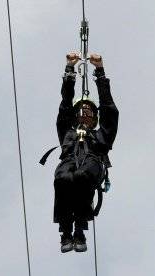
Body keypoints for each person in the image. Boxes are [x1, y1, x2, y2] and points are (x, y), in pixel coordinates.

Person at [54, 52, 119, 254]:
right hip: (69, 160)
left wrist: (100, 72)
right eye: (81, 110)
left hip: (92, 163)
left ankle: (80, 230)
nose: (85, 113)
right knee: (63, 178)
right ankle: (65, 232)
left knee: (82, 176)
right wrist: (69, 69)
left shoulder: (102, 135)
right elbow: (65, 104)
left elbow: (110, 110)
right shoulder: (67, 131)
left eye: (90, 110)